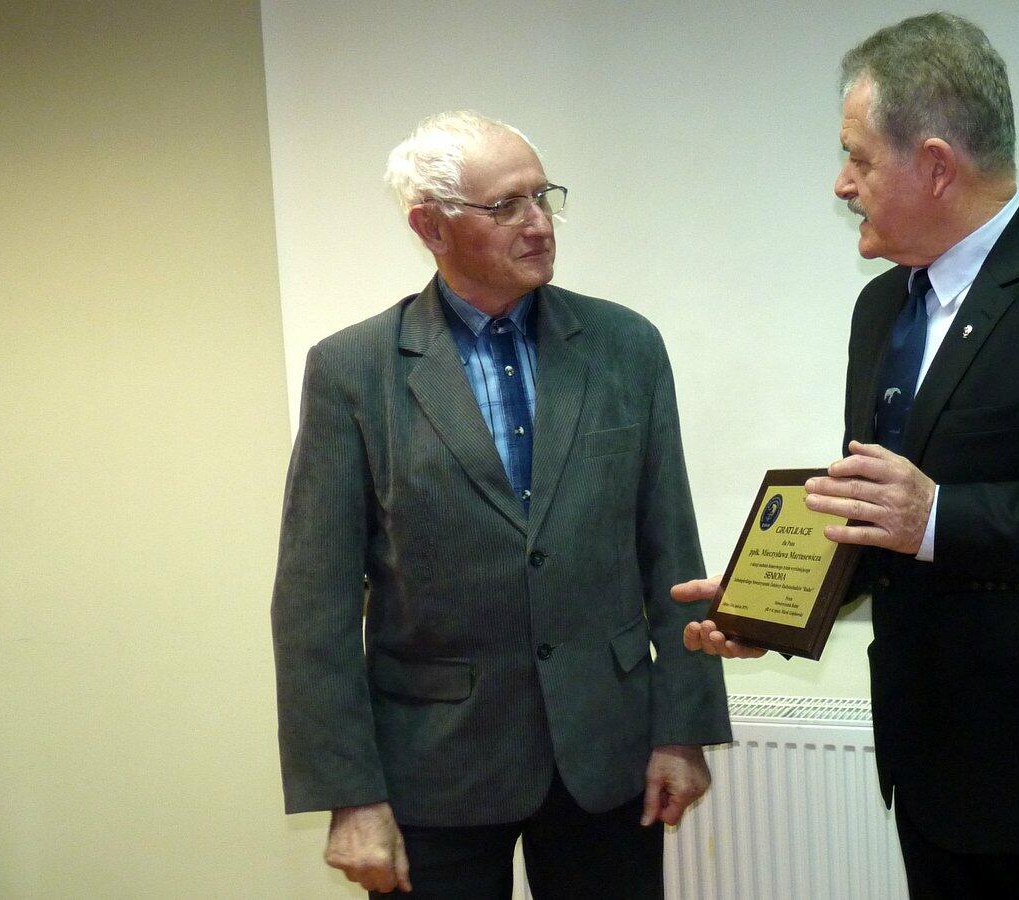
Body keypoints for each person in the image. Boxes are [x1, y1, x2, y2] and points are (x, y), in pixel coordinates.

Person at [676, 13, 1019, 898]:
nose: (841, 183)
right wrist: (769, 605)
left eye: (857, 158)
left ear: (933, 164)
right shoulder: (881, 308)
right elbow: (881, 516)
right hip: (928, 765)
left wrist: (943, 517)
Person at [271, 110, 730, 898]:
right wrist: (350, 795)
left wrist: (683, 731)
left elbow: (671, 552)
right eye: (506, 206)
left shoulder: (625, 346)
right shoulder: (354, 370)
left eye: (542, 197)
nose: (539, 224)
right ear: (430, 226)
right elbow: (315, 603)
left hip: (603, 754)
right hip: (434, 767)